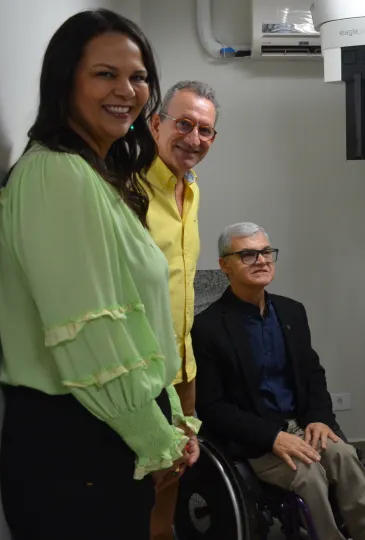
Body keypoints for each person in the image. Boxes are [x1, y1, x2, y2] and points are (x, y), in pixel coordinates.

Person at [0, 9, 199, 539]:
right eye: (105, 74)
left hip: (107, 429)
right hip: (80, 439)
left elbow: (137, 322)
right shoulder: (55, 174)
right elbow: (91, 335)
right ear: (65, 81)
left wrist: (173, 419)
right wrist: (155, 439)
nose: (127, 91)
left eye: (138, 76)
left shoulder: (94, 174)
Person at [192, 223, 365, 540]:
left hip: (302, 424)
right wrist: (272, 437)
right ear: (224, 265)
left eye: (266, 252)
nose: (261, 260)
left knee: (344, 456)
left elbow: (312, 373)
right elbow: (212, 406)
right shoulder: (207, 328)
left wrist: (319, 417)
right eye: (248, 254)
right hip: (254, 438)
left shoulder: (291, 312)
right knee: (309, 475)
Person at [141, 80, 219, 539]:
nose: (194, 138)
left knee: (173, 477)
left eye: (205, 130)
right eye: (184, 124)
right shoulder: (128, 187)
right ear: (156, 124)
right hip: (143, 369)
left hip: (182, 367)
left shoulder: (191, 189)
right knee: (140, 483)